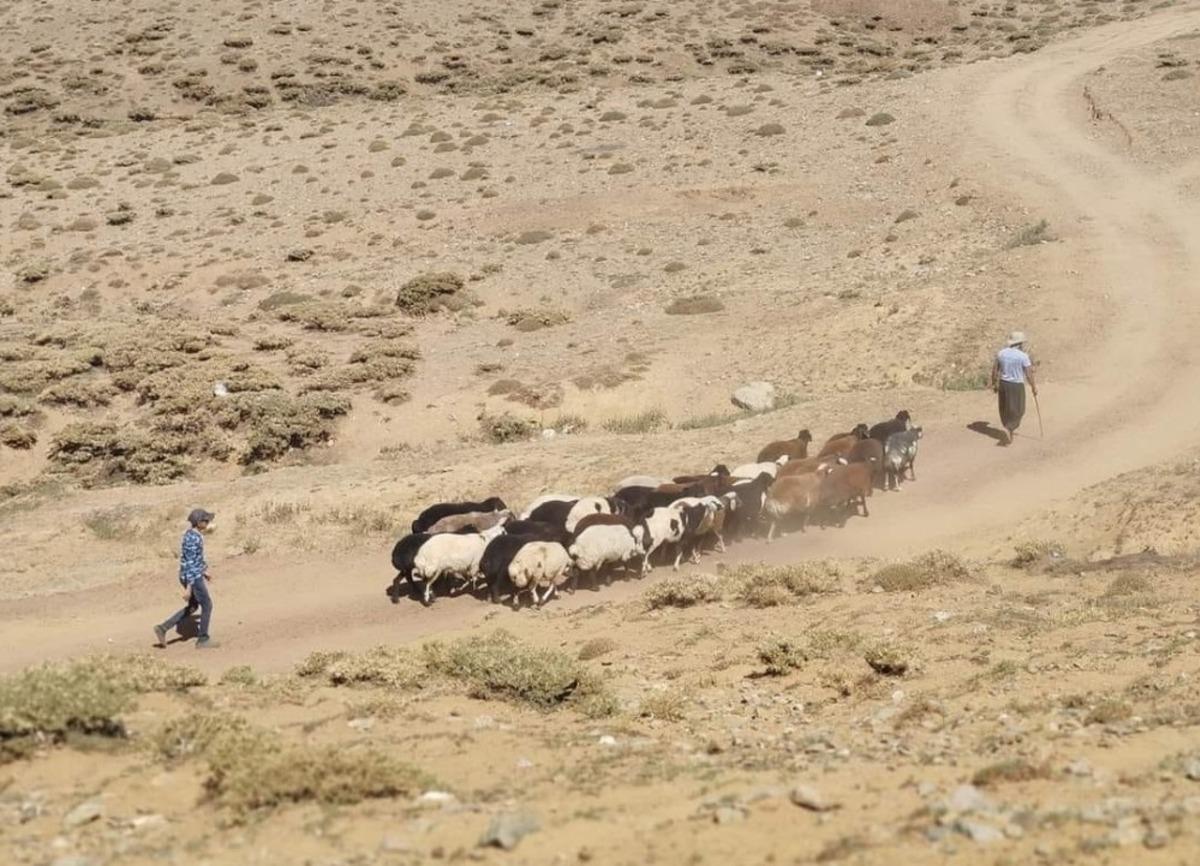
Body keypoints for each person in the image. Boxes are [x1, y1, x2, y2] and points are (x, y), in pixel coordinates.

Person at [154, 508, 218, 648]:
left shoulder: (191, 535)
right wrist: (189, 587)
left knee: (194, 606)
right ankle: (203, 639)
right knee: (207, 605)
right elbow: (190, 564)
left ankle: (163, 628)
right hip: (192, 578)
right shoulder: (193, 538)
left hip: (192, 575)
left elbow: (194, 559)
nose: (208, 522)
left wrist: (204, 571)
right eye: (206, 520)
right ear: (199, 522)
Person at [990, 331, 1038, 446]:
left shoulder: (1001, 353)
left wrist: (994, 383)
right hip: (1016, 385)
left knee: (1004, 408)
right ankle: (1010, 428)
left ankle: (1008, 429)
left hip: (1003, 384)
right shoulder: (1023, 356)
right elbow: (1029, 374)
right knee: (1019, 409)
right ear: (1020, 343)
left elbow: (995, 370)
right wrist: (1033, 387)